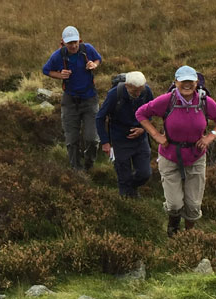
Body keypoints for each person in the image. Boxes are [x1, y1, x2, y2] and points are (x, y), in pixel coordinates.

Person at [136, 65, 216, 236]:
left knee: (193, 205)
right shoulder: (167, 100)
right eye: (183, 81)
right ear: (176, 82)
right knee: (174, 204)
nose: (187, 84)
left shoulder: (204, 101)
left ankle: (188, 236)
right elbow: (141, 113)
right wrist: (156, 135)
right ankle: (173, 229)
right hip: (170, 157)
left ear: (196, 82)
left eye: (190, 81)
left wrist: (210, 136)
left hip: (196, 157)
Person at [43, 25, 101, 171]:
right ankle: (76, 170)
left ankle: (89, 164)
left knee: (92, 139)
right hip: (70, 102)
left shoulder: (87, 49)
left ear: (79, 40)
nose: (73, 45)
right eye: (70, 43)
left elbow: (98, 59)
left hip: (90, 99)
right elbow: (46, 70)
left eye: (75, 42)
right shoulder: (58, 55)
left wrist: (94, 64)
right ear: (63, 42)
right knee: (72, 140)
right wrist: (59, 75)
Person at [96, 71, 153, 198]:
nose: (138, 94)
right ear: (127, 85)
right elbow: (100, 118)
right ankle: (126, 201)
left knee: (145, 173)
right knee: (123, 176)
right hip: (120, 140)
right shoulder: (114, 95)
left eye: (140, 90)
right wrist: (105, 142)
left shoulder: (146, 91)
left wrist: (143, 129)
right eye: (134, 91)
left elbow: (151, 112)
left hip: (140, 140)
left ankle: (131, 188)